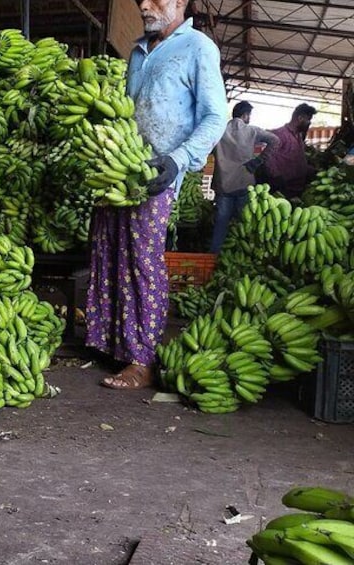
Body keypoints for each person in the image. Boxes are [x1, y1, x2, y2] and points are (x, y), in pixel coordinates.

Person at [86, 0, 228, 390]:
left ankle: (141, 358)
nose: (145, 5)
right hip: (119, 171)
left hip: (159, 174)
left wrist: (178, 159)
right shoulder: (136, 51)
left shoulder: (198, 47)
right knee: (108, 254)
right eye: (140, 0)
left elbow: (216, 116)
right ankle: (112, 344)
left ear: (181, 1)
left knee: (142, 264)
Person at [209, 101, 280, 253]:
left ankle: (214, 255)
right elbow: (275, 140)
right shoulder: (251, 131)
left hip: (223, 186)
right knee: (244, 224)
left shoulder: (219, 130)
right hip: (244, 185)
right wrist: (258, 160)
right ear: (245, 115)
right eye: (249, 115)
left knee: (221, 224)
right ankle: (242, 254)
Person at [257, 103, 317, 200]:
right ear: (300, 118)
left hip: (297, 189)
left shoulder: (298, 136)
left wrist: (310, 170)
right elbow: (263, 153)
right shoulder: (280, 135)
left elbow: (297, 161)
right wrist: (276, 177)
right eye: (308, 120)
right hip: (283, 191)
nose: (309, 123)